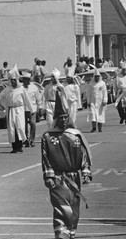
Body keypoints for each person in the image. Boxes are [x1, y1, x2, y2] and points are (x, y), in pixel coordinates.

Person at [41, 93, 92, 239]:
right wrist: (49, 176)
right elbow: (46, 158)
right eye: (60, 118)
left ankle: (71, 233)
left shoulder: (75, 135)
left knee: (73, 209)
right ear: (56, 119)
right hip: (57, 178)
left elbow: (83, 155)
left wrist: (85, 172)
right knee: (61, 208)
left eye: (65, 117)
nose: (63, 120)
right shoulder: (48, 137)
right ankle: (60, 235)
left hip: (74, 178)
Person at [0, 65, 33, 153]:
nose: (12, 82)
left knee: (19, 127)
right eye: (11, 80)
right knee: (12, 129)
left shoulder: (21, 89)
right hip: (11, 110)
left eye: (14, 80)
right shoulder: (8, 89)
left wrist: (31, 110)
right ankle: (14, 147)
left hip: (19, 109)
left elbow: (27, 99)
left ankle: (20, 146)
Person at [22, 72, 40, 147]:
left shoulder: (34, 87)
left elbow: (38, 99)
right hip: (23, 109)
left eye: (27, 80)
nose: (26, 81)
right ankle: (25, 139)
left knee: (33, 123)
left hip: (32, 109)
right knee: (24, 126)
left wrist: (39, 108)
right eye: (24, 80)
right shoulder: (21, 88)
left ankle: (32, 140)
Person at [87, 68, 108, 133]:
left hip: (100, 102)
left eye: (98, 77)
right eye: (96, 77)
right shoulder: (91, 84)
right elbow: (88, 93)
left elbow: (105, 92)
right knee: (93, 115)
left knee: (100, 115)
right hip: (93, 102)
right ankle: (93, 127)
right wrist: (88, 102)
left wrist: (105, 100)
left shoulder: (102, 84)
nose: (97, 78)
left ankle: (100, 127)